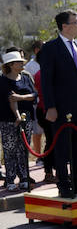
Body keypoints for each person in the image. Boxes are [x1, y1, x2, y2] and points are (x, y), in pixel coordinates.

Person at [38, 10, 77, 198]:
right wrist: (50, 106)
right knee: (62, 147)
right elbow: (46, 80)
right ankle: (64, 185)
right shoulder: (50, 48)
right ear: (65, 26)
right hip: (61, 108)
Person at [0, 49, 37, 191]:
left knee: (24, 149)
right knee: (10, 149)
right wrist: (16, 117)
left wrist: (22, 98)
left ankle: (24, 177)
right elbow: (11, 99)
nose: (22, 64)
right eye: (18, 62)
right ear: (10, 65)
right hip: (9, 120)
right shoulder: (3, 81)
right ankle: (10, 179)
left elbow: (33, 94)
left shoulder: (26, 77)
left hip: (26, 118)